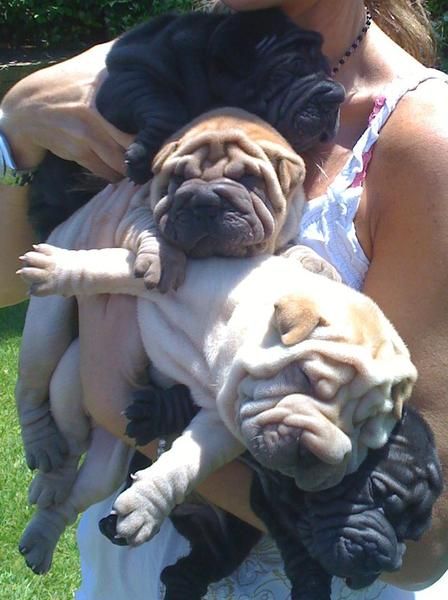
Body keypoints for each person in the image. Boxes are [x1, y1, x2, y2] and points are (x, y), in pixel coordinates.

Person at [1, 0, 448, 598]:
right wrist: (15, 136)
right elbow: (9, 276)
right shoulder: (161, 68)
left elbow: (422, 543)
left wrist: (113, 399)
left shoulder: (423, 138)